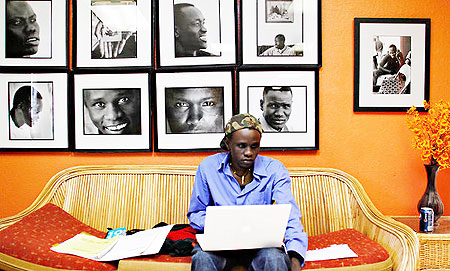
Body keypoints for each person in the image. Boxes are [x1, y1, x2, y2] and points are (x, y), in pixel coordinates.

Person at [188, 113, 307, 271]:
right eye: (242, 146)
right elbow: (195, 214)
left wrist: (295, 258)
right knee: (202, 259)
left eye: (254, 146)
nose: (249, 152)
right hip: (219, 245)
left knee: (274, 259)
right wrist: (224, 224)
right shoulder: (208, 167)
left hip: (261, 247)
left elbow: (290, 218)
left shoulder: (275, 170)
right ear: (228, 143)